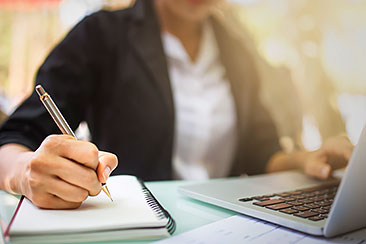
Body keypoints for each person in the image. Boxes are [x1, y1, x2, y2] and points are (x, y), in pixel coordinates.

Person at [0, 0, 354, 209]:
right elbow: (13, 139)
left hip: (227, 227)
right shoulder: (100, 35)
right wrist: (24, 174)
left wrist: (306, 160)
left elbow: (260, 152)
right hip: (134, 224)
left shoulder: (237, 48)